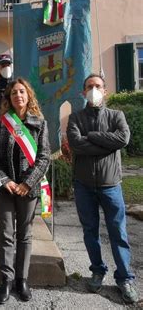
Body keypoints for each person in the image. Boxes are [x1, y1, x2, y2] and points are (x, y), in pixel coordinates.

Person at [66, 74, 139, 304]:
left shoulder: (117, 116)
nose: (94, 90)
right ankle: (97, 270)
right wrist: (105, 143)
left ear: (105, 90)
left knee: (118, 233)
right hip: (84, 185)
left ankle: (125, 278)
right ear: (82, 92)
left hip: (111, 186)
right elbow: (77, 144)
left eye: (98, 86)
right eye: (89, 87)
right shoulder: (75, 118)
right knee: (90, 232)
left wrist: (94, 137)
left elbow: (123, 139)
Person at [0, 78, 50, 304]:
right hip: (5, 189)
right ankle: (6, 281)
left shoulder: (39, 123)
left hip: (27, 189)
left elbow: (43, 158)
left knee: (25, 235)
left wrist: (27, 183)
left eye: (22, 92)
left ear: (28, 95)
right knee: (5, 234)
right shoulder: (0, 122)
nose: (18, 96)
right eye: (14, 93)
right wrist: (5, 180)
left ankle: (22, 280)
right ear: (9, 98)